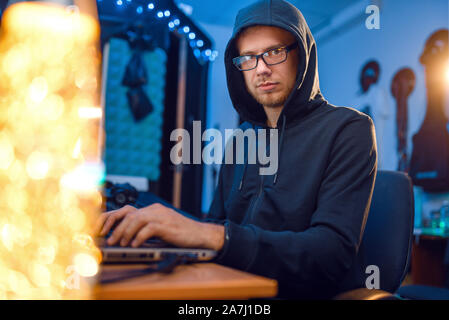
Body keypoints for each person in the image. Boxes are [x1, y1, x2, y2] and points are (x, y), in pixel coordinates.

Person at [95, 0, 377, 299]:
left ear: (303, 54)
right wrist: (161, 227)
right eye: (248, 57)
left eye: (274, 52)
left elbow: (329, 255)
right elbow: (216, 226)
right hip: (233, 286)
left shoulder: (349, 128)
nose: (262, 69)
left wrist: (210, 234)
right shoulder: (241, 139)